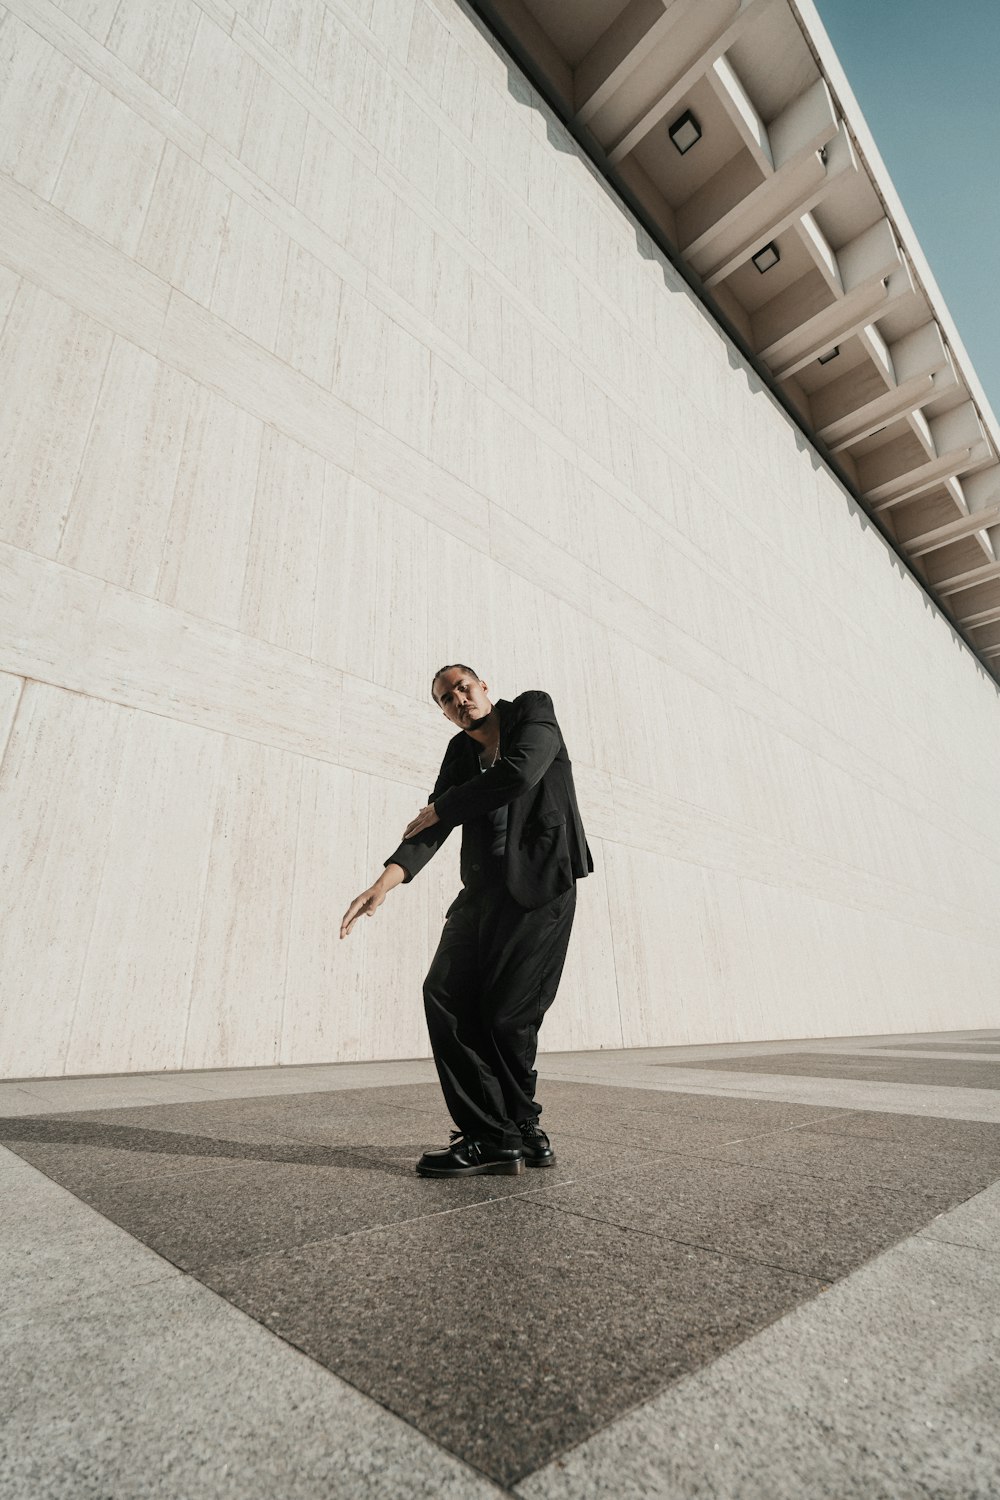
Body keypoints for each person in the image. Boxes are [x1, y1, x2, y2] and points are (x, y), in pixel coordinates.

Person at [340, 665, 593, 1178]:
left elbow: (520, 772)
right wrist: (383, 884)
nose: (457, 699)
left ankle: (510, 1129)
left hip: (540, 886)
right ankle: (504, 1134)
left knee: (507, 1015)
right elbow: (429, 824)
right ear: (443, 713)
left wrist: (446, 805)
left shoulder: (531, 711)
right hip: (481, 892)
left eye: (463, 687)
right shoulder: (460, 754)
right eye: (445, 698)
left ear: (484, 689)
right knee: (445, 994)